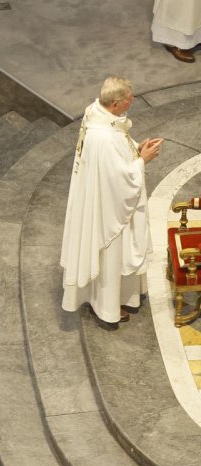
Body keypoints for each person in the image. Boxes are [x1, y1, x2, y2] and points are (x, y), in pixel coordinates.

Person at [60, 76, 162, 325]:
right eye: (129, 97)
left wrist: (136, 149)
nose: (132, 99)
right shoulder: (102, 136)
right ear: (116, 103)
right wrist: (142, 161)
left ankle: (124, 295)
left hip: (103, 197)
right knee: (109, 254)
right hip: (107, 209)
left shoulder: (96, 113)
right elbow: (118, 179)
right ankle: (105, 306)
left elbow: (113, 158)